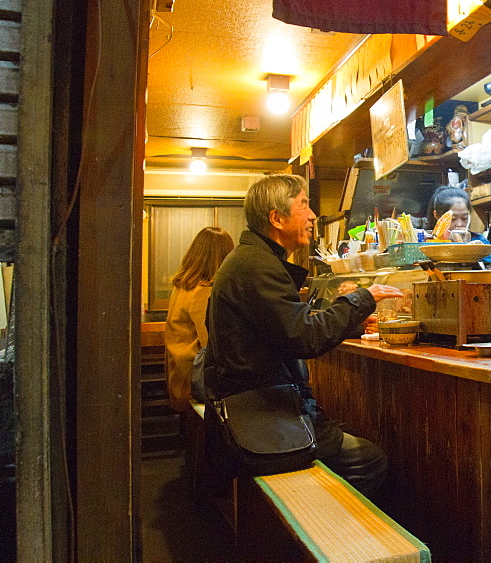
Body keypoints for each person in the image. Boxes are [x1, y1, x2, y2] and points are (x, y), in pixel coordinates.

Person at [204, 173, 403, 497]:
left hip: (259, 403)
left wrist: (353, 323)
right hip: (266, 411)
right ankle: (336, 540)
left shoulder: (251, 259)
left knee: (350, 437)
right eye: (304, 205)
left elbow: (283, 324)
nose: (312, 216)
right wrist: (363, 298)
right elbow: (304, 337)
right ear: (276, 218)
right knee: (369, 460)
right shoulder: (257, 266)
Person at [164, 226, 234, 412]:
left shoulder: (182, 285)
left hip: (179, 374)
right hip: (195, 382)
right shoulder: (203, 291)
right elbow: (210, 344)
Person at [426, 185, 491, 264]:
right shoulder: (427, 242)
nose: (459, 224)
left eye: (464, 218)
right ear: (437, 216)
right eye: (452, 219)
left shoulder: (479, 242)